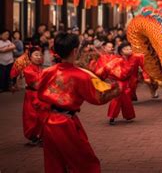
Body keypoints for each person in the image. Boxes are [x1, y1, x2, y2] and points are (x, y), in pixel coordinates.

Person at [38, 32, 120, 172]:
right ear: (75, 51)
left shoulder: (48, 71)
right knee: (85, 161)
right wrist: (115, 90)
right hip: (65, 123)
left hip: (47, 119)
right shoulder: (80, 76)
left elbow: (39, 92)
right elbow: (97, 98)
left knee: (54, 162)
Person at [10, 46, 48, 145]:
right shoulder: (28, 70)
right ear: (30, 57)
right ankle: (35, 137)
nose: (39, 57)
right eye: (36, 55)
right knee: (32, 117)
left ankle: (42, 136)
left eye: (40, 55)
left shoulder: (42, 69)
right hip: (33, 95)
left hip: (41, 95)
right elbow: (37, 85)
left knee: (43, 116)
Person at [104, 42, 137, 125]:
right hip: (119, 82)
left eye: (130, 48)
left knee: (127, 99)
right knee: (117, 99)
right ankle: (112, 116)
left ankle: (128, 116)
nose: (129, 50)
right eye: (126, 49)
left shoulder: (132, 59)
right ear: (121, 52)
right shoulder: (118, 60)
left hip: (126, 82)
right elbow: (110, 69)